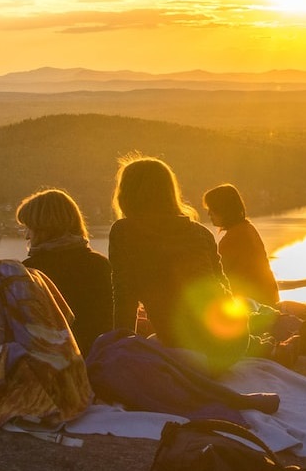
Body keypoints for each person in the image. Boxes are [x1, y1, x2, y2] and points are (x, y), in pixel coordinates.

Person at [107, 157, 248, 368]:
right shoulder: (201, 232)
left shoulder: (124, 231)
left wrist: (121, 352)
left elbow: (124, 299)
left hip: (189, 349)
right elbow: (224, 290)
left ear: (126, 194)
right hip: (234, 343)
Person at [16, 189, 111, 356]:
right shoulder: (101, 265)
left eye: (29, 228)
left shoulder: (31, 272)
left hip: (54, 369)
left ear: (44, 228)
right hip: (101, 363)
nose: (26, 236)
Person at [202, 183, 279, 308]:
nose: (209, 214)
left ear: (223, 210)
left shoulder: (233, 238)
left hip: (253, 306)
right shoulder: (247, 229)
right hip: (268, 300)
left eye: (212, 209)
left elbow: (216, 275)